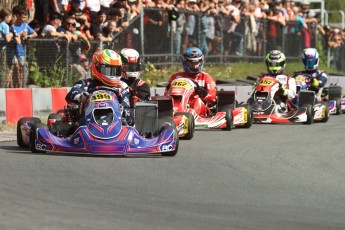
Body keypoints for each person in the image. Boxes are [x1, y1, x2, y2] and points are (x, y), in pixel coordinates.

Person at [65, 49, 132, 126]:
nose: (112, 74)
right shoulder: (86, 84)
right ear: (97, 67)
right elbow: (71, 94)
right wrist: (80, 97)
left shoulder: (122, 87)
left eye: (116, 70)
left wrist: (121, 108)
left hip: (116, 125)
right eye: (108, 70)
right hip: (87, 124)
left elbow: (127, 113)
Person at [165, 47, 217, 116]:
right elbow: (166, 94)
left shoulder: (206, 77)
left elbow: (212, 98)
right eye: (191, 63)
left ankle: (191, 115)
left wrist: (202, 93)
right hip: (179, 103)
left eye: (197, 63)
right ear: (185, 62)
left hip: (198, 105)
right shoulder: (176, 77)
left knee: (196, 100)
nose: (195, 66)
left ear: (201, 62)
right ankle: (172, 114)